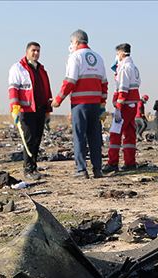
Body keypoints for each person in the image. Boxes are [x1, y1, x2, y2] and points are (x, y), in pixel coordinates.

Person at [51, 29, 108, 178]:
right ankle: (98, 169)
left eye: (71, 42)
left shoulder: (75, 57)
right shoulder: (98, 58)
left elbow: (70, 81)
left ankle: (81, 170)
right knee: (95, 137)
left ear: (76, 42)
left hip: (80, 104)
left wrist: (58, 100)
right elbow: (104, 83)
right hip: (95, 104)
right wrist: (102, 104)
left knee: (79, 136)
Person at [8, 41, 53, 179]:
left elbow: (47, 91)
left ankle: (34, 167)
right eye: (33, 50)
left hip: (39, 110)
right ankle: (28, 169)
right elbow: (13, 89)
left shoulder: (41, 70)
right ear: (27, 51)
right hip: (25, 111)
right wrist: (15, 108)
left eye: (38, 51)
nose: (36, 53)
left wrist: (47, 110)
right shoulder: (18, 68)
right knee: (29, 140)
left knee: (37, 139)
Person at [104, 43, 141, 173]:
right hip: (133, 105)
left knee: (115, 134)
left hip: (125, 106)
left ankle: (112, 162)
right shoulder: (134, 67)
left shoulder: (124, 68)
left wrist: (118, 107)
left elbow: (123, 90)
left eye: (117, 54)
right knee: (130, 134)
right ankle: (130, 162)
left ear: (121, 53)